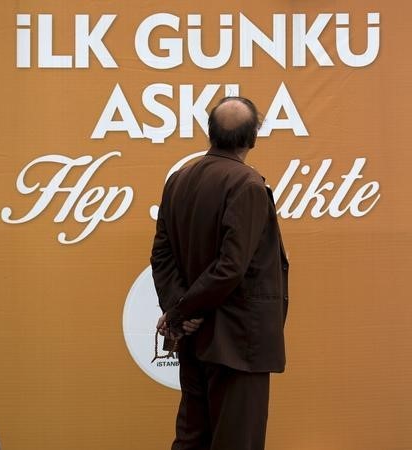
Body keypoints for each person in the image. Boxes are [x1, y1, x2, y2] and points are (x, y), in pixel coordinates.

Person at [151, 96, 289, 450]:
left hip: (195, 341)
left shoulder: (178, 181)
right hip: (239, 341)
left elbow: (161, 255)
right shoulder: (247, 185)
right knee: (237, 441)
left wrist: (180, 312)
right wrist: (184, 312)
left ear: (209, 133)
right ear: (252, 138)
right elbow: (231, 267)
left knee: (192, 438)